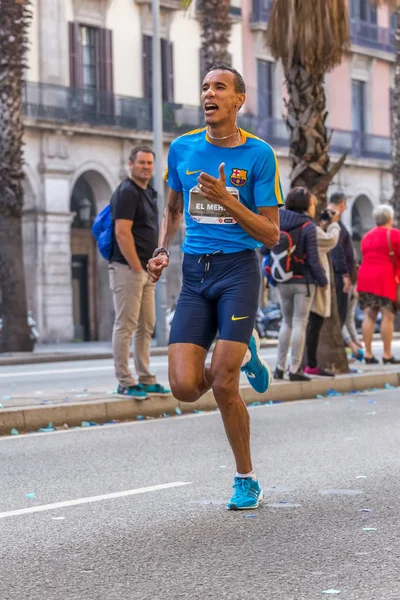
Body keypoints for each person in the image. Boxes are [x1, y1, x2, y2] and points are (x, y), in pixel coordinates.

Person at [147, 64, 282, 511]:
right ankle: (243, 352)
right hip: (194, 274)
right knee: (185, 387)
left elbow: (271, 234)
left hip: (238, 272)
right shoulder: (182, 149)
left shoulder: (259, 154)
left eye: (220, 87)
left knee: (223, 384)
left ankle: (246, 478)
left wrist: (228, 200)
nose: (209, 93)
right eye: (204, 86)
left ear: (238, 100)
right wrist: (162, 248)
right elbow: (172, 207)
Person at [108, 146, 171, 399]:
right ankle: (125, 381)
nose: (146, 167)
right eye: (141, 163)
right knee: (126, 325)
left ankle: (145, 378)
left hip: (146, 270)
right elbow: (122, 233)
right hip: (128, 268)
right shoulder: (126, 193)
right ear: (130, 164)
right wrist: (136, 266)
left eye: (150, 163)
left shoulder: (150, 193)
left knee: (146, 326)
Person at [272, 187, 328, 382]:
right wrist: (323, 281)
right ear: (306, 206)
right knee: (299, 324)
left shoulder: (277, 221)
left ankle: (279, 368)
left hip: (281, 279)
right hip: (303, 282)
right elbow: (313, 260)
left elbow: (264, 249)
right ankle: (295, 369)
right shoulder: (308, 226)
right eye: (312, 204)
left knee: (286, 323)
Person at [357, 204, 400, 364]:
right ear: (390, 218)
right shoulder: (394, 235)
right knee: (387, 316)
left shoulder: (366, 236)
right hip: (385, 279)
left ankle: (368, 354)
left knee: (369, 315)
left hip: (366, 278)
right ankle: (387, 354)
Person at [305, 208, 340, 377]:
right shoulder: (311, 229)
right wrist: (334, 225)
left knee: (297, 324)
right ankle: (310, 364)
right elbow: (330, 240)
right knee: (313, 324)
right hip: (314, 280)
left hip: (295, 280)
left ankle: (290, 365)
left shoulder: (293, 225)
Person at [327, 192, 355, 327]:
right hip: (337, 274)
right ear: (342, 203)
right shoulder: (333, 219)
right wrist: (345, 274)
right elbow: (337, 248)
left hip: (336, 272)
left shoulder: (331, 218)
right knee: (340, 310)